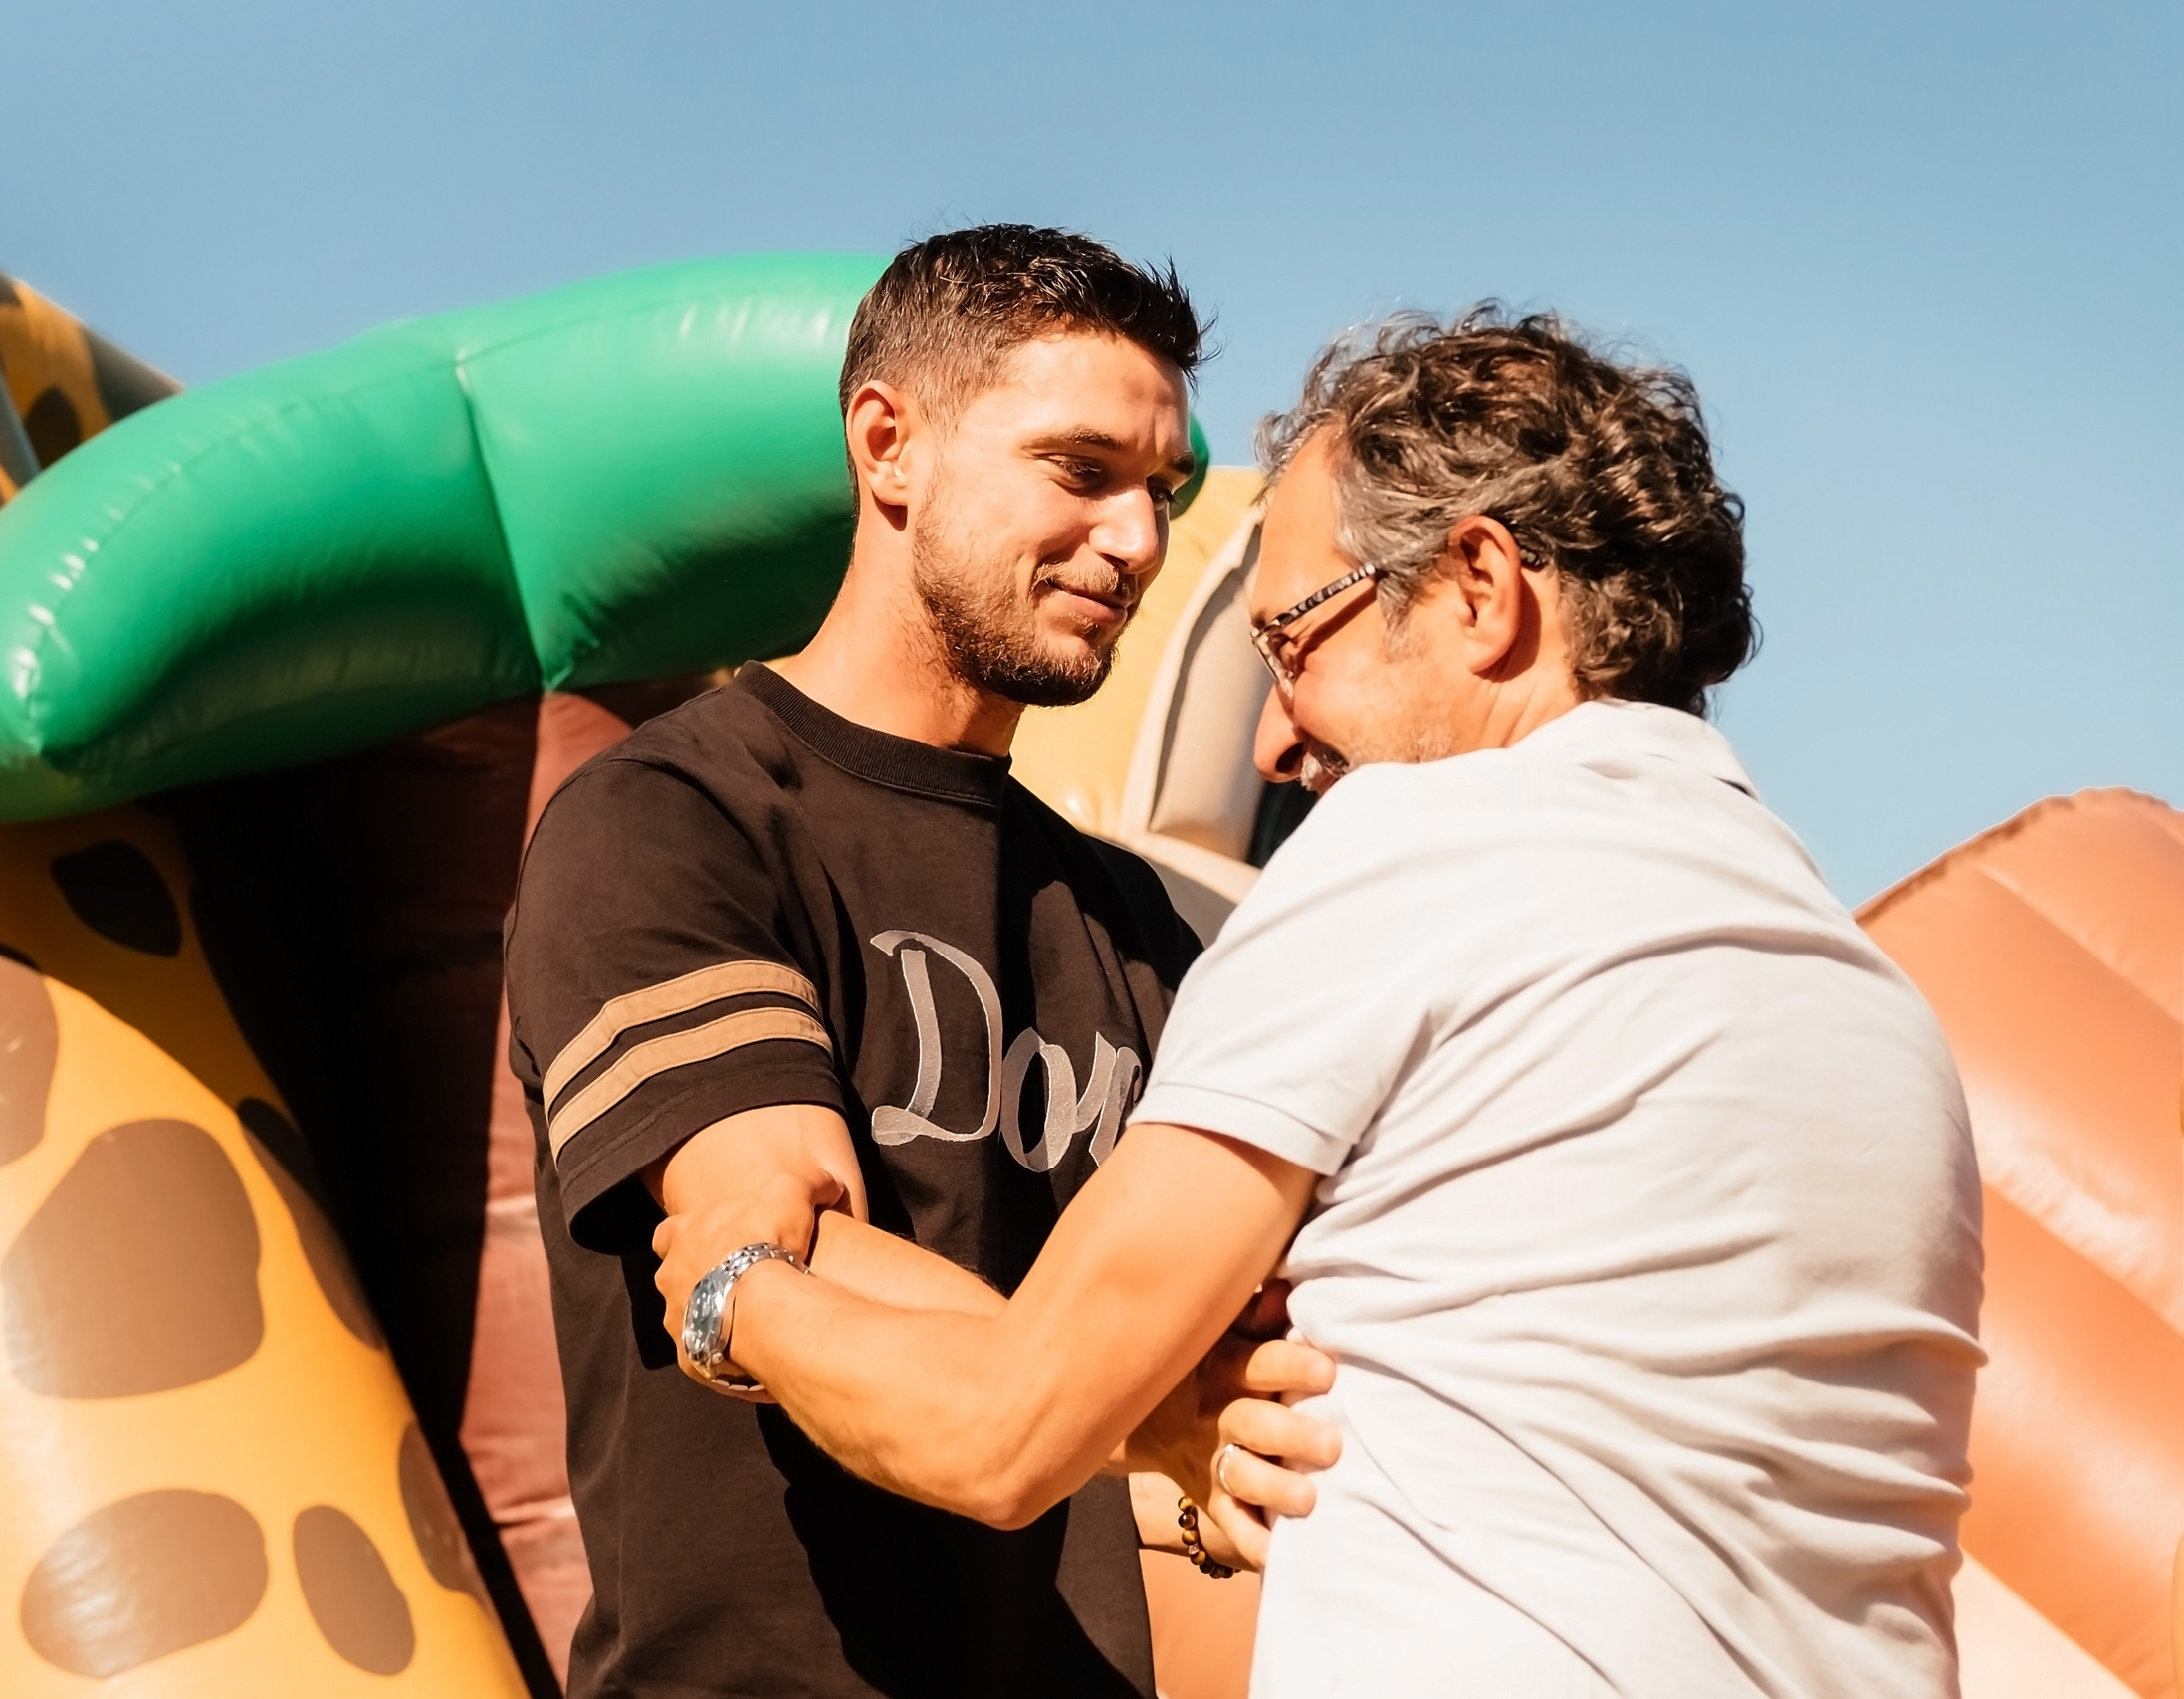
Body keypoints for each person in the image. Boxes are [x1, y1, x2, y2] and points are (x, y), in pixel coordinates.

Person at [654, 307, 1986, 1698]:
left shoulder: (1414, 848)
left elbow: (1005, 1433)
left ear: (1479, 586)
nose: (1274, 737)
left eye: (1291, 637)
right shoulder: (1869, 1002)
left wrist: (739, 1291)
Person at [502, 224, 1335, 1699]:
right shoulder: (673, 821)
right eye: (1080, 472)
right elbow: (771, 1259)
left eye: (1159, 492)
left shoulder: (1137, 926)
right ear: (888, 447)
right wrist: (1150, 1409)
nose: (1140, 541)